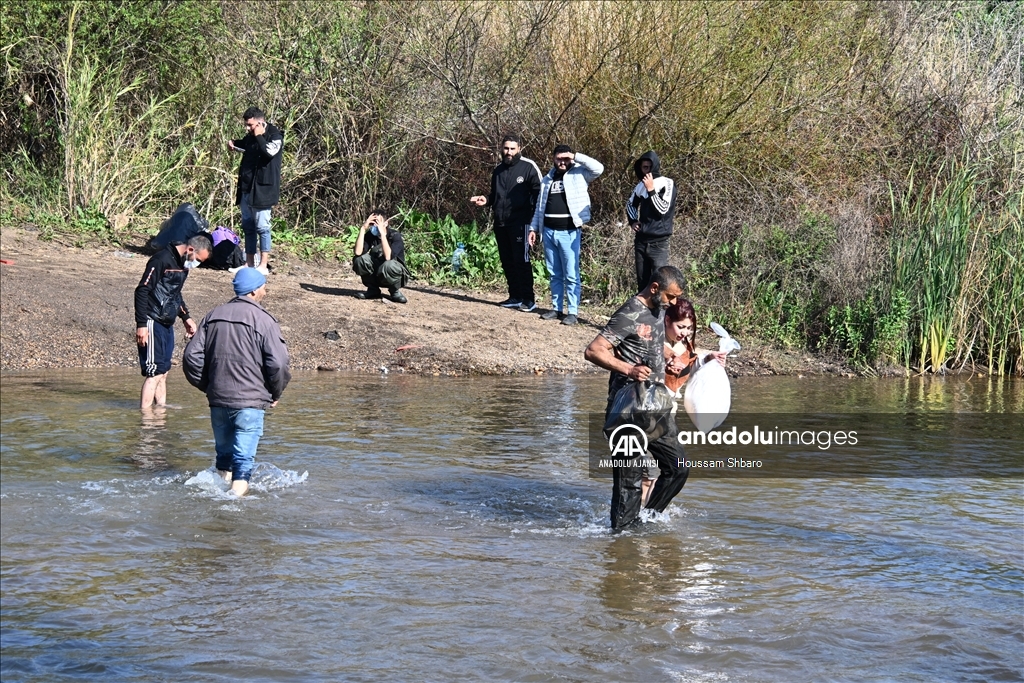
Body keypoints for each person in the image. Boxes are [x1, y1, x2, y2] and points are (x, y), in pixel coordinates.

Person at [584, 265, 689, 530]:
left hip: (655, 407)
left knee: (678, 467)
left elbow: (648, 340)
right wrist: (629, 369)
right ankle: (621, 539)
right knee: (628, 483)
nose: (673, 303)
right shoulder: (628, 313)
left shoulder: (658, 308)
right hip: (627, 409)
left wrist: (668, 357)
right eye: (670, 296)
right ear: (654, 288)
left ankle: (646, 519)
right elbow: (594, 350)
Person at [182, 268, 291, 497]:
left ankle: (219, 498)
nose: (265, 291)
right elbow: (279, 364)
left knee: (223, 459)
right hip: (250, 402)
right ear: (253, 291)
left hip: (218, 400)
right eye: (263, 287)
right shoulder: (264, 320)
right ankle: (233, 505)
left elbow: (191, 357)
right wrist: (276, 393)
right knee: (243, 462)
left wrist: (209, 386)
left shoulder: (213, 315)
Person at [650, 298, 727, 505]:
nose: (684, 332)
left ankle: (648, 513)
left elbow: (689, 366)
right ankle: (643, 515)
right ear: (667, 321)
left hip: (667, 413)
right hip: (646, 412)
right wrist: (665, 361)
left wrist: (709, 358)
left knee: (664, 470)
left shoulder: (684, 344)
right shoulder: (652, 339)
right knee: (648, 472)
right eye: (680, 326)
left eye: (688, 328)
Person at [134, 234, 212, 410]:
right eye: (198, 260)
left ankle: (160, 411)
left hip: (167, 322)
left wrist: (186, 317)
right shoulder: (161, 260)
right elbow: (142, 290)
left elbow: (174, 293)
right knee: (154, 372)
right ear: (190, 249)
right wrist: (141, 325)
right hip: (152, 319)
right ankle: (145, 417)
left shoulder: (183, 264)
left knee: (164, 371)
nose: (197, 264)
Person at [531, 144, 604, 326]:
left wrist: (576, 156)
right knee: (554, 273)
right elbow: (540, 207)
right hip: (548, 232)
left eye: (565, 159)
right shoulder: (547, 179)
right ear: (553, 159)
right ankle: (556, 308)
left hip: (569, 232)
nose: (562, 162)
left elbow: (599, 168)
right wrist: (534, 228)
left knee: (571, 274)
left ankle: (572, 312)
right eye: (559, 159)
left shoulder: (580, 173)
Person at [469, 134, 543, 311]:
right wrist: (486, 200)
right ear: (501, 149)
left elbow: (540, 196)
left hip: (521, 222)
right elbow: (495, 195)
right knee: (507, 261)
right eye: (506, 148)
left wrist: (534, 223)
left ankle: (528, 299)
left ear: (519, 149)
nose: (509, 152)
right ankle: (515, 296)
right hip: (501, 223)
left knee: (521, 261)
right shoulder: (498, 170)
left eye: (512, 149)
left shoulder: (529, 167)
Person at [228, 106, 283, 274]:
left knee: (263, 228)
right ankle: (249, 264)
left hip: (262, 192)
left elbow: (268, 152)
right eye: (246, 125)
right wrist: (233, 143)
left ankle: (263, 266)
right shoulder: (251, 136)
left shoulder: (275, 136)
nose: (247, 128)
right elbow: (246, 146)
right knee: (248, 227)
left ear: (260, 123)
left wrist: (259, 136)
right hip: (246, 189)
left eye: (250, 125)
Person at [626, 150, 676, 291]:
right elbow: (630, 205)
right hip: (641, 240)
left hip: (659, 242)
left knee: (660, 284)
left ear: (655, 166)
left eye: (649, 167)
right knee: (643, 284)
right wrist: (633, 221)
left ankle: (660, 307)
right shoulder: (640, 186)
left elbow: (662, 210)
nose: (647, 171)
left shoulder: (667, 183)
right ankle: (643, 306)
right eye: (644, 167)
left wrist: (651, 190)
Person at [352, 210, 410, 304]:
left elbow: (388, 257)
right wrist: (363, 229)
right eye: (372, 223)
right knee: (360, 260)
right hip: (377, 272)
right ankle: (373, 290)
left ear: (386, 223)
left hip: (394, 273)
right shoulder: (370, 235)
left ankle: (394, 291)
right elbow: (358, 252)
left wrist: (382, 235)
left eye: (377, 222)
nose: (374, 226)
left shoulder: (395, 236)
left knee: (388, 265)